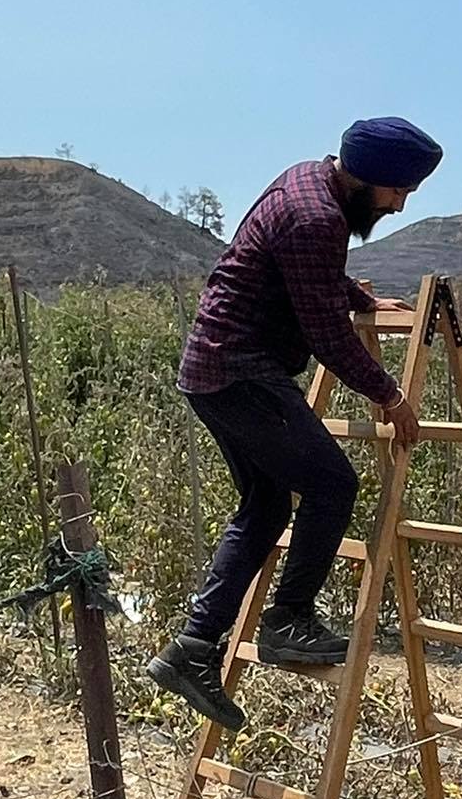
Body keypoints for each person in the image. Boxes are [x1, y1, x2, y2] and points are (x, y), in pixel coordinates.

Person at [147, 117, 444, 732]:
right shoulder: (320, 218)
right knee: (334, 484)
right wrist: (390, 395)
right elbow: (326, 334)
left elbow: (306, 275)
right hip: (242, 372)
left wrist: (361, 299)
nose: (399, 204)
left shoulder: (308, 182)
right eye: (398, 191)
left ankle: (193, 649)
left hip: (214, 371)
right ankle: (289, 622)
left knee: (265, 507)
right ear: (368, 179)